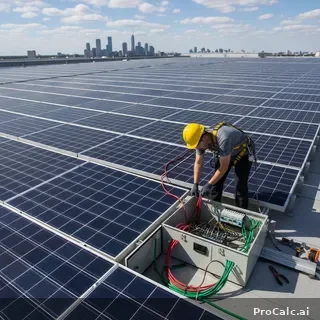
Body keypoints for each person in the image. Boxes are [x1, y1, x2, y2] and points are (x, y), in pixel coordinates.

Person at [182, 122, 255, 209]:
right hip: (225, 154)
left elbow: (223, 168)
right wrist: (195, 184)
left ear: (204, 137)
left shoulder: (223, 138)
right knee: (216, 184)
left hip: (243, 154)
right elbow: (198, 162)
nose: (196, 148)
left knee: (240, 186)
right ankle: (215, 209)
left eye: (197, 145)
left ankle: (242, 212)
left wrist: (208, 184)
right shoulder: (201, 143)